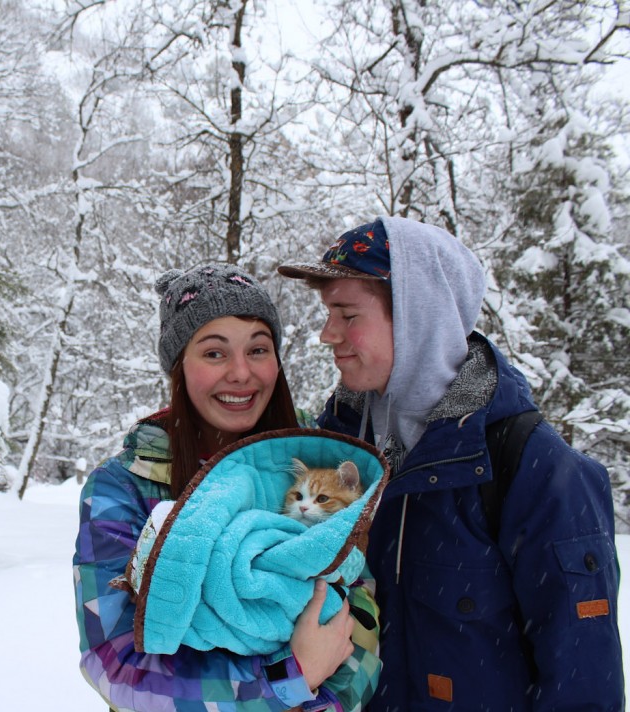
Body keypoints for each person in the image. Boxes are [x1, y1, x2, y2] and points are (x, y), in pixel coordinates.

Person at [278, 216, 624, 711]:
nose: (326, 334)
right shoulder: (339, 448)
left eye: (347, 315)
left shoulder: (533, 469)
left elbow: (583, 684)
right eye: (327, 313)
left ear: (421, 318)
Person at [73, 263, 382, 712]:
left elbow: (362, 622)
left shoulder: (316, 470)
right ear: (179, 367)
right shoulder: (124, 489)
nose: (241, 373)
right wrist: (287, 679)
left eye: (258, 349)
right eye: (214, 353)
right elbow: (115, 666)